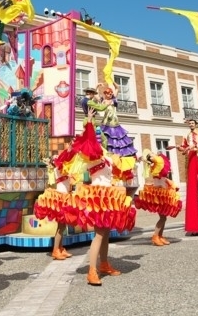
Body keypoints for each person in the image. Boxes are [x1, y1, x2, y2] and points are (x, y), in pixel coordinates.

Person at [63, 109, 136, 286]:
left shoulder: (106, 155)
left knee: (105, 233)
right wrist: (88, 122)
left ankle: (104, 264)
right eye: (97, 136)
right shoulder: (92, 155)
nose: (100, 137)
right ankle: (92, 270)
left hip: (108, 196)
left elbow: (121, 167)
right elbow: (88, 141)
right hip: (97, 197)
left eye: (101, 136)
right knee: (98, 235)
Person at [33, 146, 75, 260]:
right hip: (61, 198)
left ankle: (60, 248)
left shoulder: (61, 167)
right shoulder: (58, 168)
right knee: (61, 227)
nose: (58, 158)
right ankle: (56, 250)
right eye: (55, 157)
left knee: (62, 226)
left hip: (65, 196)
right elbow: (64, 161)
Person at [134, 148, 182, 246]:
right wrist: (146, 157)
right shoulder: (156, 164)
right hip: (159, 194)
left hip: (163, 192)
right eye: (151, 153)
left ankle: (160, 236)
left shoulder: (158, 164)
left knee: (164, 217)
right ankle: (155, 236)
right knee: (162, 218)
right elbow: (154, 159)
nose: (153, 153)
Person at [98, 83, 137, 157]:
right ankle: (106, 152)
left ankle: (117, 153)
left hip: (114, 121)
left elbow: (117, 88)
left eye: (110, 94)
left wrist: (113, 82)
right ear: (105, 94)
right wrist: (97, 86)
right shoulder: (103, 101)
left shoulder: (113, 100)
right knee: (105, 137)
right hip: (106, 121)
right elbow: (96, 95)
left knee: (116, 137)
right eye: (107, 94)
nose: (109, 95)